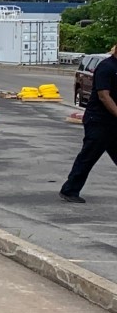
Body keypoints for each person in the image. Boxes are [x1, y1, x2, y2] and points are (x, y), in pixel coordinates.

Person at [61, 42, 117, 203]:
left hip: (112, 123)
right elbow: (104, 96)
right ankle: (70, 190)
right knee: (89, 156)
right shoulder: (106, 67)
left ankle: (70, 188)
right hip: (98, 121)